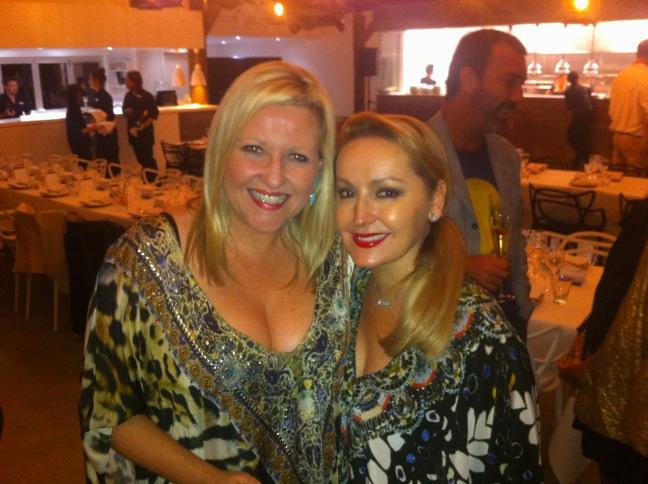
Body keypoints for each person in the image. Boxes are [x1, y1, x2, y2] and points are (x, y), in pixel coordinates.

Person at [80, 61, 350, 483]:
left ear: (319, 171)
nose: (274, 177)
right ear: (221, 149)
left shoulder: (334, 259)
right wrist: (210, 479)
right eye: (254, 149)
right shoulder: (144, 260)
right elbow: (108, 415)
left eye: (297, 157)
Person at [336, 112, 541, 482]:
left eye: (386, 192)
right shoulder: (339, 297)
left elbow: (514, 468)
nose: (360, 215)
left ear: (436, 199)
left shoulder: (484, 339)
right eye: (347, 192)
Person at [427, 29, 532, 339]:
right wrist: (461, 266)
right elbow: (389, 252)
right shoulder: (415, 151)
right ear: (469, 78)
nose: (518, 97)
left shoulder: (505, 154)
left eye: (521, 84)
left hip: (504, 327)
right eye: (510, 82)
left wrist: (522, 316)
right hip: (441, 332)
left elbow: (515, 246)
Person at [567, 199, 648, 484]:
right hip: (612, 387)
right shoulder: (640, 221)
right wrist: (587, 333)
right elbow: (615, 289)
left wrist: (596, 367)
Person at [608, 38, 648, 171]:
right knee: (637, 180)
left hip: (617, 137)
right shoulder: (646, 76)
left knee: (618, 179)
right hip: (638, 140)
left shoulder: (622, 75)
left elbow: (612, 110)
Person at [122, 70, 159, 172]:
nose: (125, 82)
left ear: (134, 81)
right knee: (140, 159)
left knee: (148, 158)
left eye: (127, 80)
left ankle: (154, 178)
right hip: (133, 132)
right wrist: (126, 111)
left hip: (145, 133)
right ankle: (146, 177)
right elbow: (124, 111)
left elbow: (154, 113)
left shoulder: (147, 96)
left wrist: (144, 125)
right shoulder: (128, 96)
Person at [88, 68, 119, 163]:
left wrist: (98, 118)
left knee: (109, 158)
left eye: (90, 79)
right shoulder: (93, 95)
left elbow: (110, 115)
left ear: (96, 81)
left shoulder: (105, 96)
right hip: (98, 130)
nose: (89, 81)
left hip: (106, 131)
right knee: (100, 157)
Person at [564, 70, 593, 170]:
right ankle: (582, 157)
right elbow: (590, 93)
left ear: (568, 79)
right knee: (580, 138)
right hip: (588, 115)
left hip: (579, 115)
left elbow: (569, 107)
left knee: (571, 136)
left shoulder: (568, 91)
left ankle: (580, 157)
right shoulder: (584, 88)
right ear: (577, 78)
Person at [65, 84, 95, 160]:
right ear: (75, 95)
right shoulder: (74, 109)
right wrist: (92, 128)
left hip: (75, 142)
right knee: (85, 163)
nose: (81, 96)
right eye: (79, 94)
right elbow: (79, 130)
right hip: (80, 144)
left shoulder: (71, 108)